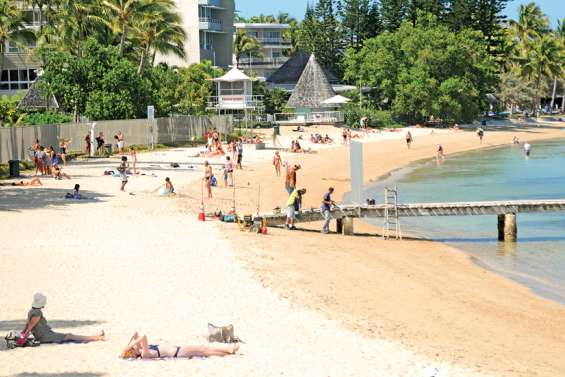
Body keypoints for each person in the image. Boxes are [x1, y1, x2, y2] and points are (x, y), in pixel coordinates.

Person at [18, 293, 105, 345]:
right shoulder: (37, 313)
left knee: (69, 335)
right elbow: (29, 327)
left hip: (45, 334)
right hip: (44, 336)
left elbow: (27, 325)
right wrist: (22, 339)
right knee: (69, 336)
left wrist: (22, 335)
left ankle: (96, 337)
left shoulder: (32, 310)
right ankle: (95, 338)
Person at [120, 332, 238, 360]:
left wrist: (128, 346)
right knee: (203, 349)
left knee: (203, 351)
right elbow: (143, 337)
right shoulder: (144, 354)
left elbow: (135, 333)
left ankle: (227, 352)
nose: (135, 346)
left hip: (177, 351)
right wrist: (130, 346)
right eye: (133, 348)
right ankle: (228, 350)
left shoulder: (140, 350)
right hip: (177, 352)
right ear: (134, 353)